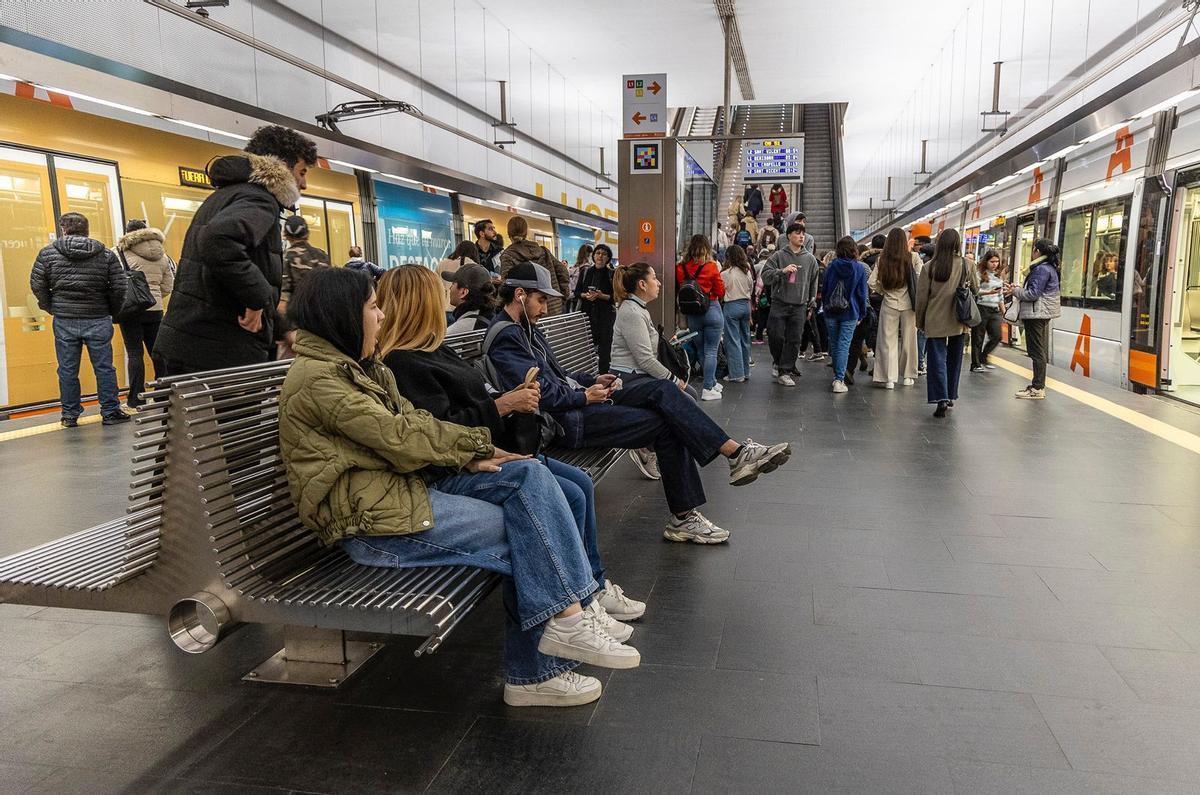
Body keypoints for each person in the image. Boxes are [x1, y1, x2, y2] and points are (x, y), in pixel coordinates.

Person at [279, 266, 641, 708]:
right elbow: (400, 436)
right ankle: (544, 658)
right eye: (372, 307)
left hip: (397, 499)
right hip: (371, 526)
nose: (380, 316)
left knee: (529, 484)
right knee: (526, 525)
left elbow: (412, 426)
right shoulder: (321, 379)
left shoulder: (359, 368)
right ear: (342, 316)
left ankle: (565, 628)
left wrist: (471, 454)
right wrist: (473, 444)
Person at [374, 266, 646, 636]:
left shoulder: (434, 349)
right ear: (421, 305)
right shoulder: (403, 361)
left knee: (578, 484)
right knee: (550, 498)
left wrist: (502, 403)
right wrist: (502, 405)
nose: (447, 300)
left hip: (489, 448)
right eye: (438, 295)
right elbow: (439, 428)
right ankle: (576, 607)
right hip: (462, 465)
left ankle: (590, 590)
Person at [486, 261, 792, 544]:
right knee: (667, 404)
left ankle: (713, 482)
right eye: (541, 300)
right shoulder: (508, 338)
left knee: (668, 410)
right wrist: (583, 395)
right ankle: (730, 459)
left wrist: (591, 380)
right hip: (567, 421)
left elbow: (559, 375)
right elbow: (541, 395)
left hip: (577, 408)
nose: (544, 308)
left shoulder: (526, 331)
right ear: (520, 294)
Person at [155, 125, 315, 375]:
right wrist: (257, 298)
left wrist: (283, 329)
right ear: (282, 166)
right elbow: (217, 240)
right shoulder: (260, 199)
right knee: (238, 416)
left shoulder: (227, 195)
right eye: (302, 172)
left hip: (191, 340)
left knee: (177, 414)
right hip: (218, 350)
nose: (303, 184)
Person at [30, 211, 129, 427]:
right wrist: (110, 309)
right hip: (98, 317)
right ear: (87, 229)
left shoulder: (47, 253)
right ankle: (111, 412)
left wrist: (52, 307)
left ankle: (69, 415)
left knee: (67, 369)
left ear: (63, 229)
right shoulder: (105, 254)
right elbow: (120, 286)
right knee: (104, 367)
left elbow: (37, 285)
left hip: (64, 319)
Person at [114, 219, 174, 410]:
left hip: (131, 311)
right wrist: (153, 297)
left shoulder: (119, 252)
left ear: (127, 233)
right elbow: (168, 285)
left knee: (134, 353)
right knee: (157, 354)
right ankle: (162, 395)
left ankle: (135, 400)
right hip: (155, 310)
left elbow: (113, 283)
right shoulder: (163, 255)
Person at [916, 229, 976, 417]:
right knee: (955, 359)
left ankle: (940, 398)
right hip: (959, 319)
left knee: (936, 360)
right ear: (958, 244)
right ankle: (951, 395)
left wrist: (920, 321)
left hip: (935, 318)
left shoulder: (929, 266)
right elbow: (976, 289)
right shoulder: (967, 265)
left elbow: (921, 298)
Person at [761, 222, 820, 387]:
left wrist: (812, 302)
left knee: (795, 339)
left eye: (803, 234)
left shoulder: (810, 259)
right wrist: (782, 271)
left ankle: (785, 370)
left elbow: (813, 282)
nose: (802, 236)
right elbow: (765, 276)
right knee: (775, 335)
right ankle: (780, 362)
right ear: (789, 236)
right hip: (779, 303)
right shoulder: (778, 256)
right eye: (797, 233)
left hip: (800, 305)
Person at [1004, 239, 1062, 400]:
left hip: (1036, 313)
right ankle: (1037, 386)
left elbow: (1032, 294)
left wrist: (1016, 291)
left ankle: (1037, 388)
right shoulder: (1048, 268)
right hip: (1041, 312)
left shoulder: (1041, 269)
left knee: (1036, 351)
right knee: (1038, 350)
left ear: (1037, 251)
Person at [675, 235, 726, 400]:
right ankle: (707, 389)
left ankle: (710, 382)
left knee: (702, 349)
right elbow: (720, 291)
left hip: (692, 313)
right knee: (712, 349)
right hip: (711, 308)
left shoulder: (680, 268)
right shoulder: (711, 267)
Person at [868, 229, 917, 389]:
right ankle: (908, 376)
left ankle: (889, 378)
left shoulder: (882, 259)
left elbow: (872, 282)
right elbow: (919, 279)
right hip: (909, 303)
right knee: (909, 339)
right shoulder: (912, 257)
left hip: (889, 302)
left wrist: (884, 291)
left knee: (887, 341)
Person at [823, 236, 870, 393]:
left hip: (831, 311)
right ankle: (839, 379)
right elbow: (862, 294)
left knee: (835, 344)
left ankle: (837, 376)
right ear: (854, 250)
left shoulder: (831, 266)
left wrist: (825, 306)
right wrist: (862, 313)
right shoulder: (859, 269)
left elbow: (825, 290)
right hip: (851, 312)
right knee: (844, 345)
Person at [499, 215, 570, 315]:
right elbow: (563, 272)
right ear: (526, 232)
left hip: (528, 310)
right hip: (553, 307)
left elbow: (507, 286)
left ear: (509, 234)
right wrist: (561, 297)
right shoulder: (544, 252)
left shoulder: (508, 255)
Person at [575, 244, 617, 374]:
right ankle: (588, 374)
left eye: (604, 254)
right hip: (587, 315)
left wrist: (601, 296)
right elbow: (577, 293)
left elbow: (615, 297)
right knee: (587, 345)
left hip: (605, 317)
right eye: (598, 253)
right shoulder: (586, 271)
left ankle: (603, 374)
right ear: (593, 256)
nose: (600, 256)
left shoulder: (612, 274)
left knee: (605, 348)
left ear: (608, 258)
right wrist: (586, 296)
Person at [279, 214, 331, 318]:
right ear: (307, 233)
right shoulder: (322, 254)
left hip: (300, 315)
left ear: (286, 235)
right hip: (323, 313)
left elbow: (283, 299)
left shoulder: (286, 257)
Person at [720, 243, 754, 383]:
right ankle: (746, 372)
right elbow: (751, 288)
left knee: (732, 340)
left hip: (732, 305)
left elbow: (721, 292)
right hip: (745, 305)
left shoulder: (725, 274)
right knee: (745, 339)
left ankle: (736, 374)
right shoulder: (747, 271)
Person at [970, 249, 1004, 373]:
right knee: (978, 337)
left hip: (995, 309)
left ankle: (984, 356)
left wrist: (1003, 310)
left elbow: (1000, 295)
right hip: (982, 307)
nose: (994, 264)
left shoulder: (998, 275)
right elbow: (975, 290)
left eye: (996, 261)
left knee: (997, 336)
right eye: (992, 261)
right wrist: (989, 292)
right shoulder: (979, 274)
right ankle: (975, 363)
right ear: (986, 261)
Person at [443, 263, 498, 334]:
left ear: (463, 292)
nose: (450, 288)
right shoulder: (493, 318)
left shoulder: (456, 332)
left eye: (453, 284)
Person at [437, 241, 481, 322]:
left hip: (443, 309)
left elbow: (436, 285)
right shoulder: (469, 263)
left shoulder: (442, 263)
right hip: (459, 309)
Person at [568, 243, 593, 312]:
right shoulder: (587, 268)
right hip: (580, 299)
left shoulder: (573, 267)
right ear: (589, 254)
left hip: (570, 297)